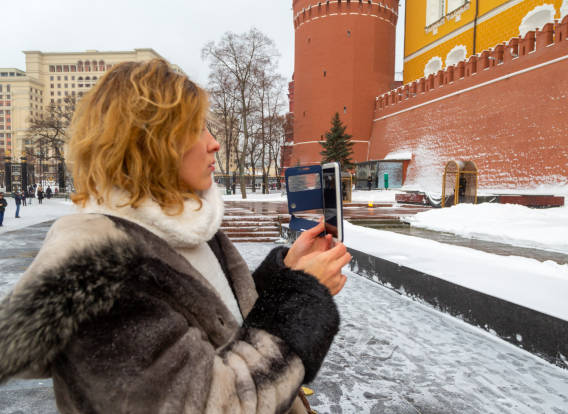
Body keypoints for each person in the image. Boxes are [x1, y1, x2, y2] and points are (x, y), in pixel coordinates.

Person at [0, 59, 349, 413]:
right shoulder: (99, 276)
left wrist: (287, 277)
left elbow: (217, 323)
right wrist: (301, 298)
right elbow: (216, 404)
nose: (214, 143)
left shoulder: (181, 224)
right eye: (197, 129)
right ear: (148, 140)